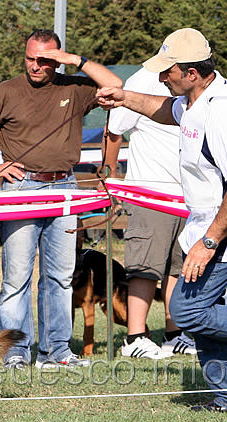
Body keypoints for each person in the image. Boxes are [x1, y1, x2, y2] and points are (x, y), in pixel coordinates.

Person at [0, 29, 122, 369]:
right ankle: (16, 352)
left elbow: (115, 86)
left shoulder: (74, 86)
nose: (35, 66)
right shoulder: (6, 91)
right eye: (30, 58)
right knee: (16, 277)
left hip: (65, 187)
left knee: (60, 276)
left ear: (57, 59)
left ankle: (56, 351)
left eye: (44, 60)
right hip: (21, 188)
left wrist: (76, 62)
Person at [98, 28, 227, 412]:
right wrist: (123, 97)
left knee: (189, 312)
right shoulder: (192, 101)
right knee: (201, 323)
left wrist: (209, 242)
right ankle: (223, 398)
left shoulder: (220, 112)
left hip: (218, 234)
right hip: (203, 229)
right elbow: (162, 110)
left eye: (167, 71)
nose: (161, 76)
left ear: (191, 72)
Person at [104, 67, 197, 360]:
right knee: (144, 267)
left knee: (178, 268)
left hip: (189, 195)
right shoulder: (141, 80)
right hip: (151, 194)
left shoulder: (202, 85)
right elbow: (114, 130)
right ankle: (135, 337)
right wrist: (108, 177)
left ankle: (174, 334)